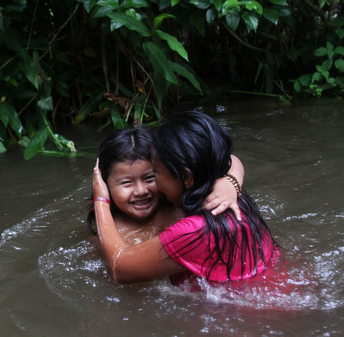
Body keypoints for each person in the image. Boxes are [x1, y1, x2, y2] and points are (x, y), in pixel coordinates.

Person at [92, 110, 279, 284]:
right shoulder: (228, 196)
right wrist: (232, 181)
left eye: (154, 173)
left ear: (187, 178)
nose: (142, 190)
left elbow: (119, 268)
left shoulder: (194, 230)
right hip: (275, 280)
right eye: (126, 182)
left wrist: (100, 199)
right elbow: (229, 160)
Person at [86, 127, 245, 244]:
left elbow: (230, 159)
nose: (141, 191)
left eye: (150, 178)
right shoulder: (109, 231)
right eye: (127, 183)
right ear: (104, 184)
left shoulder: (179, 206)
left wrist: (230, 182)